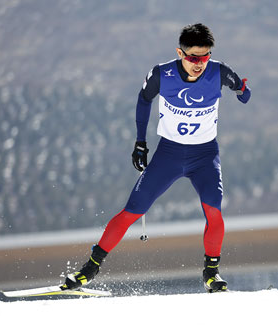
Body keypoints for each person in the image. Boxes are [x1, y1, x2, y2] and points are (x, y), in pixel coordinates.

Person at [62, 23, 251, 293]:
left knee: (214, 210)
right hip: (169, 154)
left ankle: (211, 273)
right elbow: (143, 100)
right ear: (180, 53)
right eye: (193, 57)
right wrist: (140, 142)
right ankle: (89, 269)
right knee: (132, 211)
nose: (200, 64)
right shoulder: (162, 74)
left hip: (204, 155)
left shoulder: (219, 71)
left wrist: (243, 91)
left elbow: (244, 94)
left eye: (205, 56)